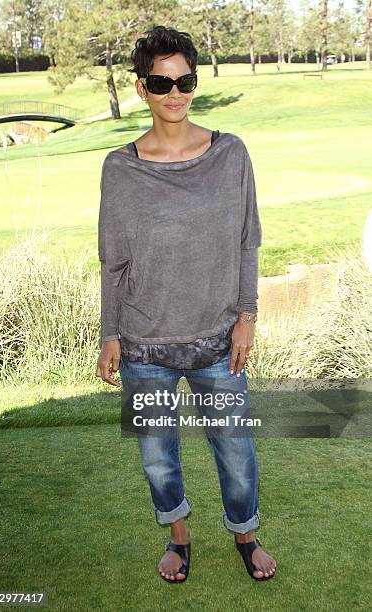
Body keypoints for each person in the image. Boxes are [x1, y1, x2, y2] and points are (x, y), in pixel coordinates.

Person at [96, 25, 277, 584]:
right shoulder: (119, 167)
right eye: (160, 82)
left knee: (237, 453)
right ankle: (179, 537)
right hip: (144, 345)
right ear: (141, 88)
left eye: (185, 81)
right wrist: (109, 333)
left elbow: (248, 239)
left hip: (218, 341)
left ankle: (245, 534)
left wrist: (247, 316)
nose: (174, 94)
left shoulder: (230, 153)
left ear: (195, 82)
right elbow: (113, 261)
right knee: (157, 458)